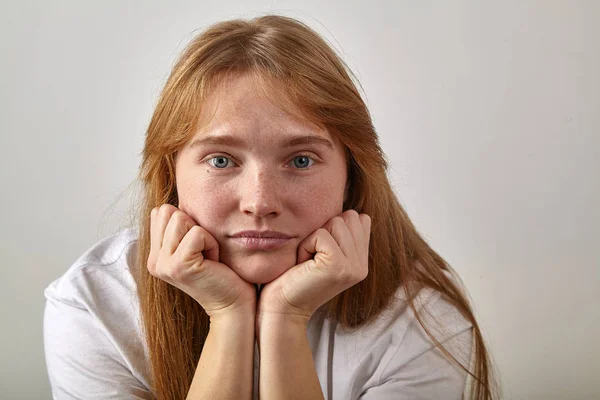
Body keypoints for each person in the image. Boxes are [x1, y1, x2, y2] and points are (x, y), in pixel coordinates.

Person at [43, 14, 499, 400]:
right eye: (221, 160)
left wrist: (284, 319)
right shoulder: (93, 307)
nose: (259, 203)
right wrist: (227, 316)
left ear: (351, 177)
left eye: (301, 160)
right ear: (171, 176)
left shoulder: (421, 323)